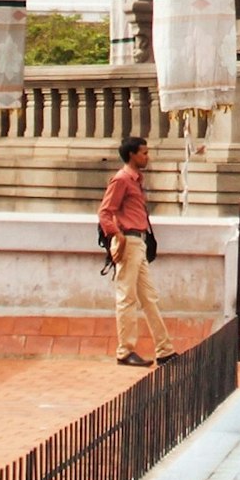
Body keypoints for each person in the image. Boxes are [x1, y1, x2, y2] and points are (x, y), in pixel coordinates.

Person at [97, 136, 168, 367]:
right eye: (144, 153)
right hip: (128, 240)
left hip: (137, 241)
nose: (147, 157)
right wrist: (117, 235)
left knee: (149, 297)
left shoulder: (135, 180)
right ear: (132, 155)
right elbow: (105, 212)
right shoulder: (122, 180)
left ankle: (164, 348)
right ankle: (124, 351)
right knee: (127, 297)